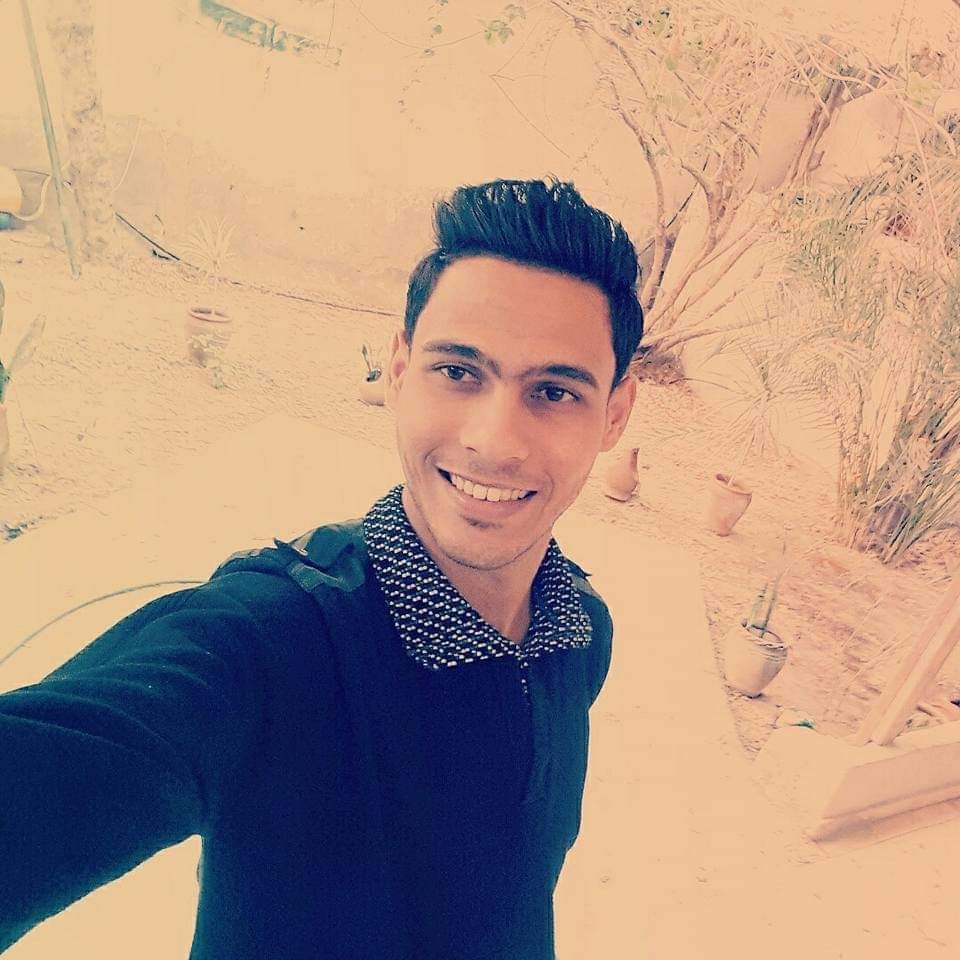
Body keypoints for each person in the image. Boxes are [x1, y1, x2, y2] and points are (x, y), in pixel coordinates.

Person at [0, 177, 643, 959]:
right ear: (398, 370)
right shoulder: (269, 645)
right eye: (458, 372)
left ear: (614, 414)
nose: (494, 440)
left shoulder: (578, 632)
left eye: (555, 391)